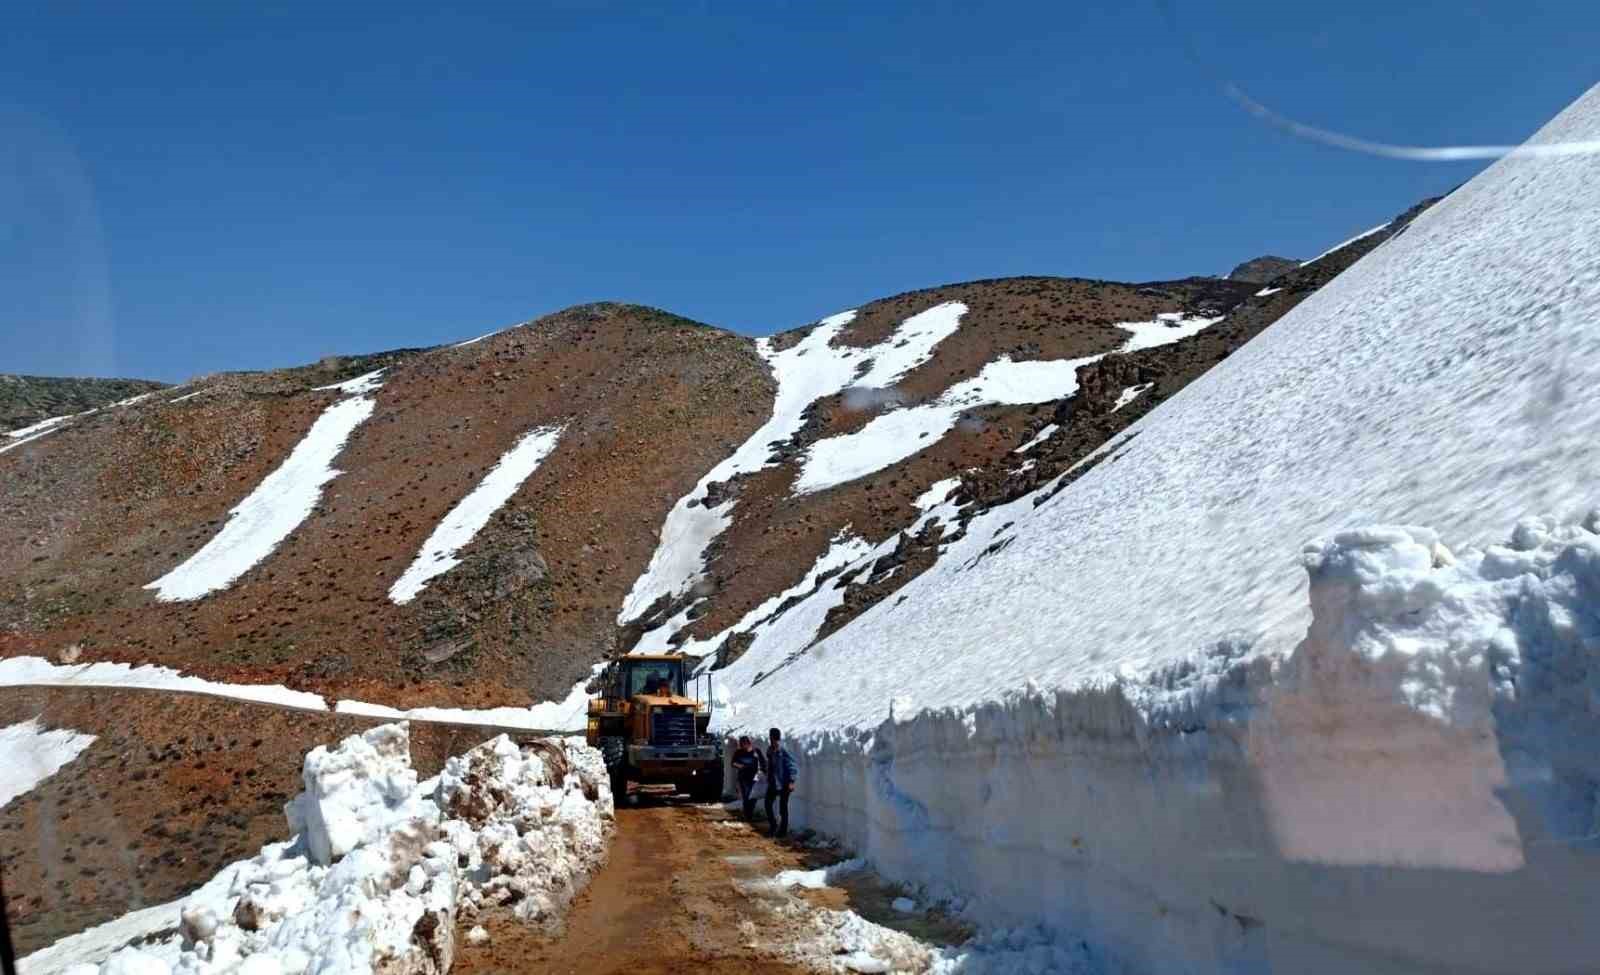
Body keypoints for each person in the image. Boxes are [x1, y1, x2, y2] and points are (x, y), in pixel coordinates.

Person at [764, 727, 797, 838]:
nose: (771, 740)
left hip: (784, 782)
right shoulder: (770, 749)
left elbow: (792, 765)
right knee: (768, 803)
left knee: (783, 807)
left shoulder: (783, 750)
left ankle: (782, 832)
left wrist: (792, 781)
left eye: (772, 737)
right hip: (773, 782)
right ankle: (773, 825)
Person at [730, 735, 766, 821]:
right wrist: (740, 766)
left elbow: (763, 762)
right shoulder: (739, 752)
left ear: (748, 743)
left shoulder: (756, 752)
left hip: (754, 778)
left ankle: (748, 813)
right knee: (746, 796)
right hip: (743, 778)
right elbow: (733, 763)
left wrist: (762, 771)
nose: (742, 747)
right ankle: (748, 815)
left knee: (752, 796)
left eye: (743, 744)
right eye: (741, 745)